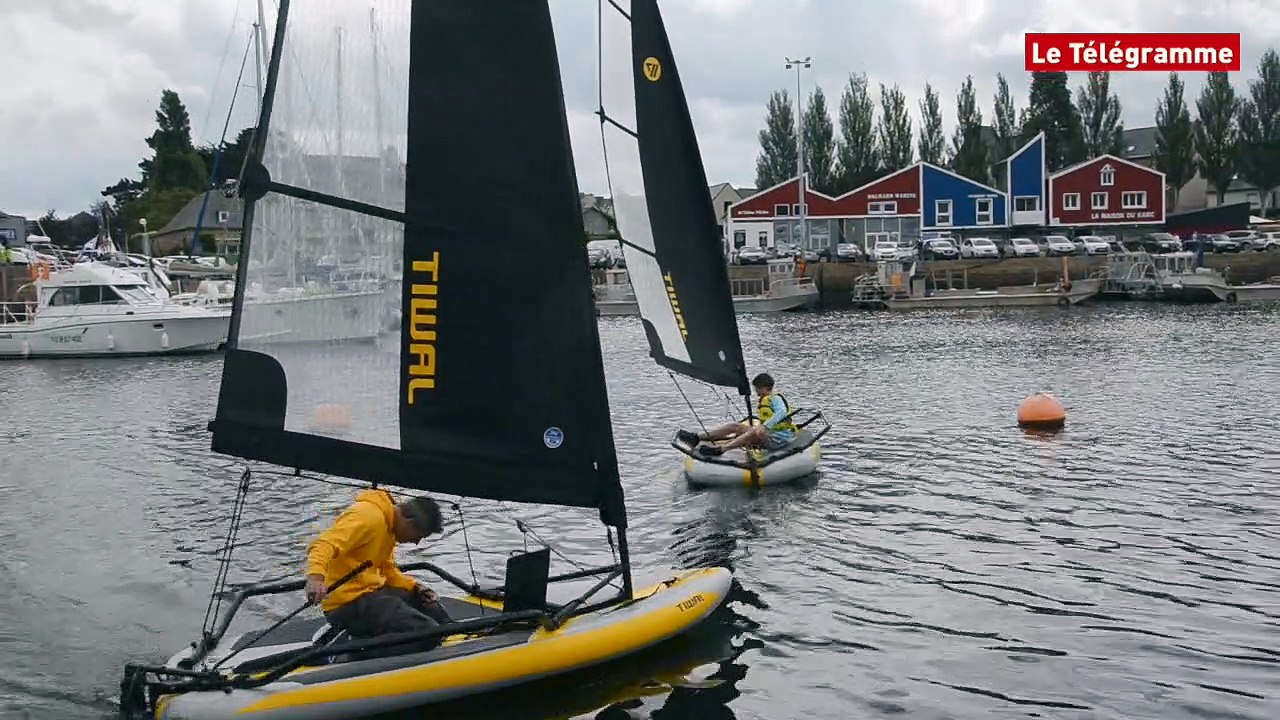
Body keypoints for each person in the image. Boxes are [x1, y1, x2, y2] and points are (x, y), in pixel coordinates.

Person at [304, 488, 452, 647]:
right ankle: (346, 652)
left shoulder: (388, 527)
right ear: (409, 523)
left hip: (371, 594)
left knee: (432, 610)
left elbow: (386, 569)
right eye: (419, 536)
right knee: (427, 633)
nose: (416, 543)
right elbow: (323, 544)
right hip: (347, 604)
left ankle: (452, 635)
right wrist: (315, 578)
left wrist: (417, 588)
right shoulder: (368, 518)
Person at [677, 372, 797, 456]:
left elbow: (782, 412)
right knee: (735, 426)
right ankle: (697, 437)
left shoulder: (775, 399)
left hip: (779, 438)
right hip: (769, 434)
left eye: (757, 389)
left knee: (754, 431)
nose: (756, 392)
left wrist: (764, 426)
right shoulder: (765, 399)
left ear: (764, 387)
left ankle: (721, 449)